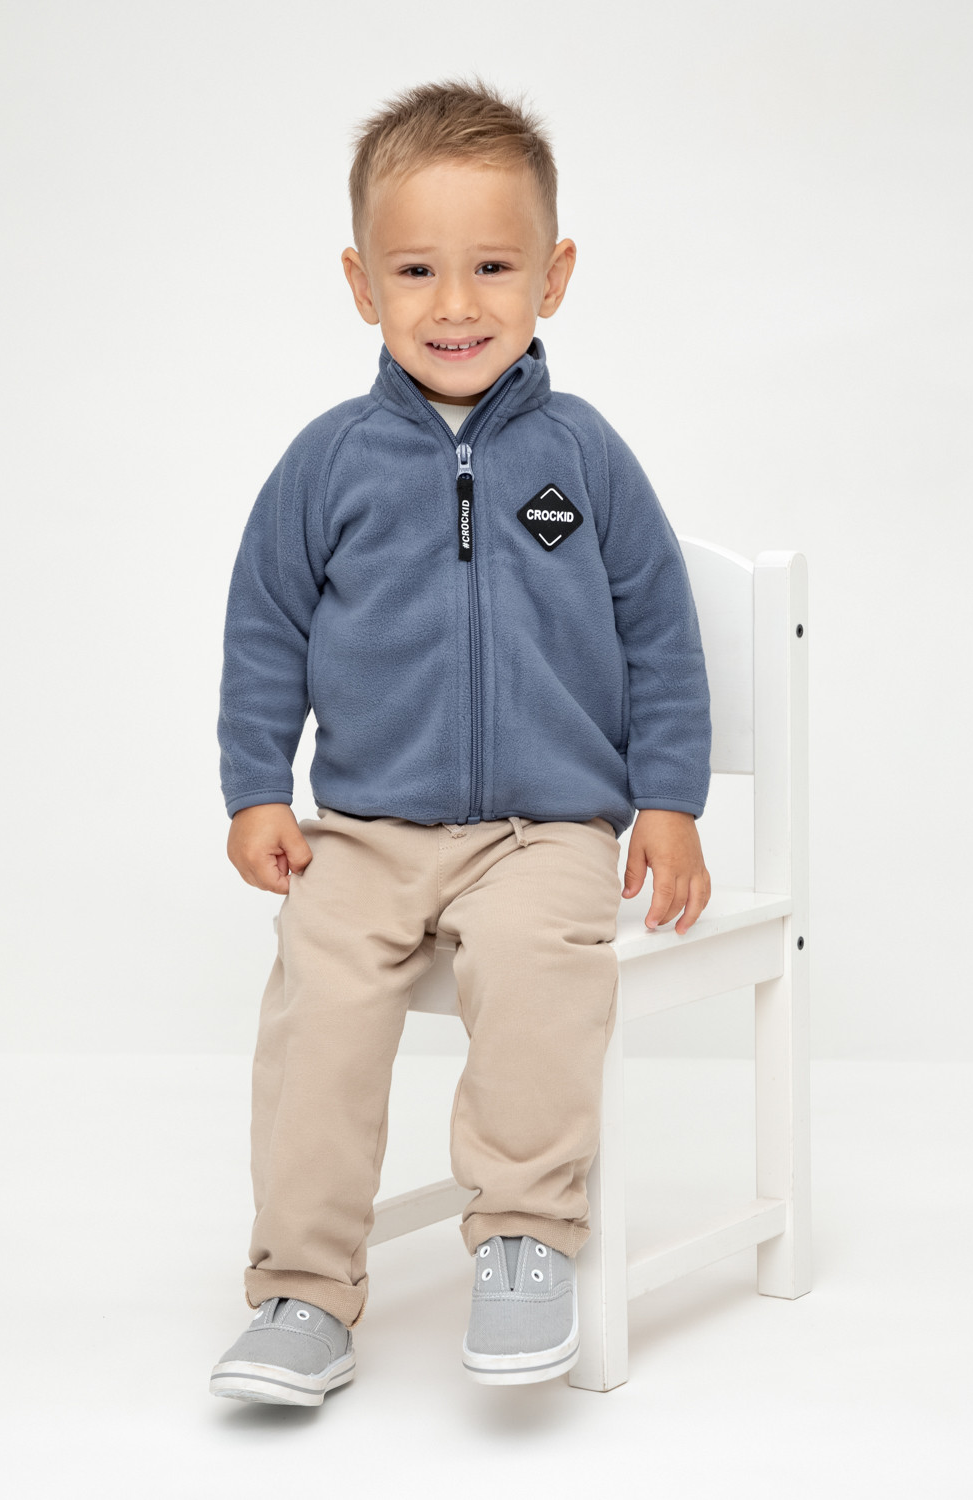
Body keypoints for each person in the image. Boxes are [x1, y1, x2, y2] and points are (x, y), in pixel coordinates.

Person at [210, 76, 712, 1406]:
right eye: (416, 269)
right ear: (360, 283)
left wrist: (668, 799)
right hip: (365, 830)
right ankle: (301, 1291)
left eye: (492, 266)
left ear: (554, 276)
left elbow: (661, 633)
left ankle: (527, 1240)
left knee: (542, 974)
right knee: (318, 1007)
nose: (455, 303)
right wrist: (257, 788)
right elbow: (264, 628)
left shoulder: (583, 458)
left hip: (545, 829)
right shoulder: (328, 463)